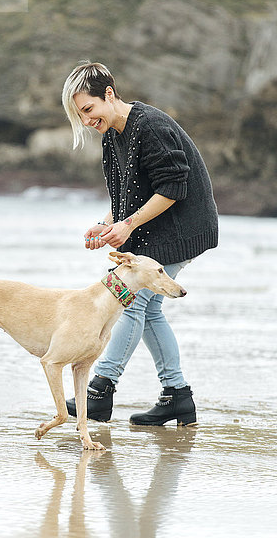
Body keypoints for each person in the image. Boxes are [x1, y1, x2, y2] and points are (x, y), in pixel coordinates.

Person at [61, 61, 218, 426]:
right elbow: (127, 194)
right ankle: (177, 396)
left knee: (130, 300)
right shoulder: (113, 134)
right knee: (146, 309)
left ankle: (99, 391)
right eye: (79, 114)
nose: (86, 120)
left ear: (109, 95)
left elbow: (173, 188)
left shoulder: (151, 126)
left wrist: (129, 224)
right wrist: (107, 223)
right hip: (154, 229)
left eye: (88, 109)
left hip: (182, 227)